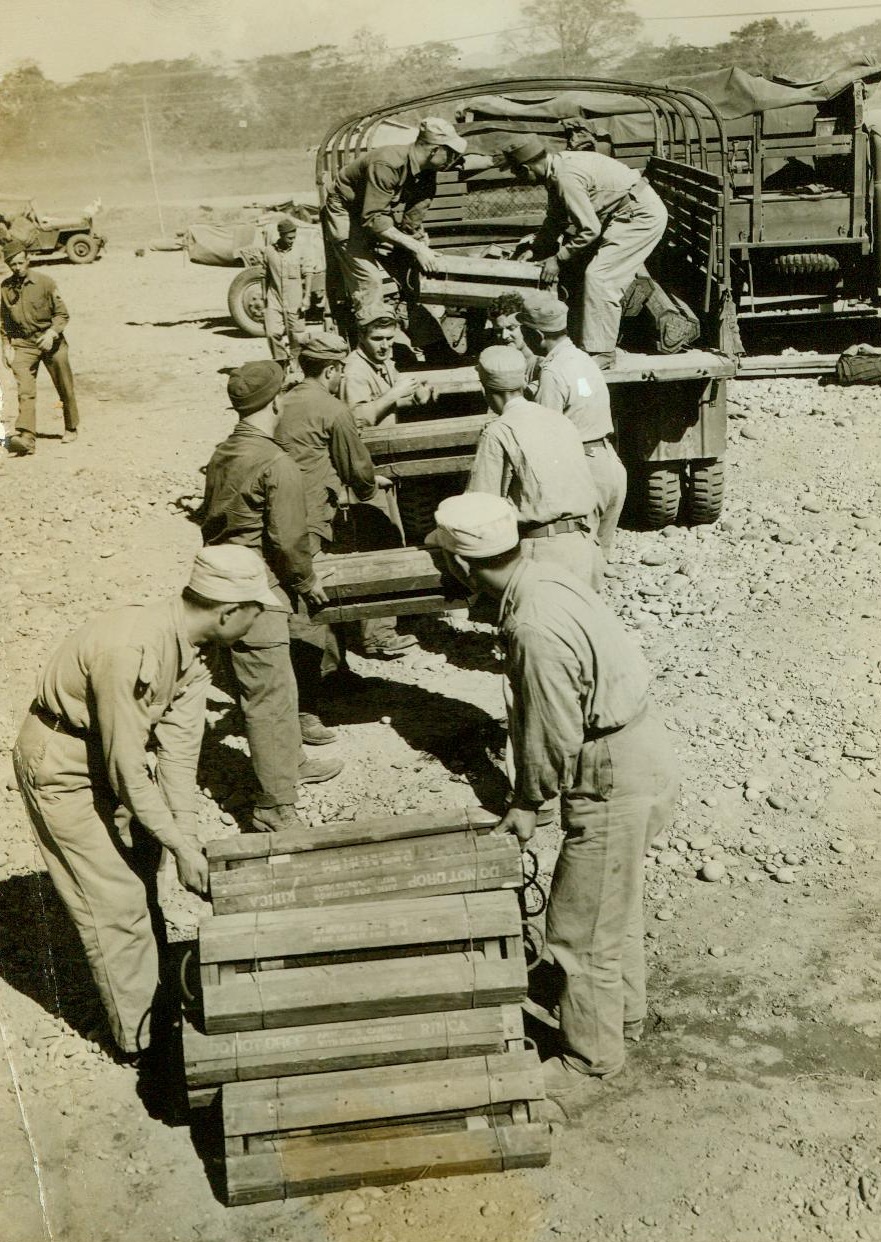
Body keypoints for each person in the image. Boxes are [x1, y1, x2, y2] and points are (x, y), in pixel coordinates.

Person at [427, 492, 679, 1092]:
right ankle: (625, 1016)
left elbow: (551, 732)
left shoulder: (532, 627)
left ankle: (590, 1059)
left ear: (464, 566)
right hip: (643, 753)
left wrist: (526, 804)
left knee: (576, 931)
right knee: (611, 905)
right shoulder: (544, 574)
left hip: (611, 771)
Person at [12, 545, 278, 1059]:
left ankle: (155, 1002)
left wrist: (189, 843)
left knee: (144, 868)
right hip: (62, 764)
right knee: (118, 903)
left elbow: (177, 759)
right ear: (228, 611)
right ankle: (142, 1047)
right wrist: (180, 845)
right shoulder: (133, 647)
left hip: (108, 756)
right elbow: (128, 770)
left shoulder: (196, 652)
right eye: (255, 610)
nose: (258, 619)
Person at [200, 361, 343, 833]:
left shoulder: (224, 450)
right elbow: (288, 540)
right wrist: (306, 583)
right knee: (267, 698)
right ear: (277, 400)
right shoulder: (276, 462)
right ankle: (274, 807)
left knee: (276, 688)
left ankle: (292, 763)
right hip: (255, 592)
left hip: (223, 584)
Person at [276, 331, 416, 663]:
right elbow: (358, 468)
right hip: (312, 511)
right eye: (339, 370)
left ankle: (335, 669)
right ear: (330, 371)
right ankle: (322, 681)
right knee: (315, 588)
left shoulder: (283, 401)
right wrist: (370, 487)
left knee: (306, 584)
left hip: (283, 505)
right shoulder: (333, 409)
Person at [501, 137, 668, 369]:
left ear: (526, 168)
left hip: (639, 216)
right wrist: (536, 250)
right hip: (621, 214)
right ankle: (584, 337)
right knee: (584, 270)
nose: (519, 179)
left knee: (600, 277)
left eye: (517, 173)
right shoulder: (555, 169)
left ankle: (603, 353)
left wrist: (557, 259)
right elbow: (556, 218)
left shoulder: (565, 177)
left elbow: (590, 230)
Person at [466, 344, 603, 590]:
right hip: (585, 548)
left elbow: (480, 508)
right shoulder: (561, 420)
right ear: (524, 381)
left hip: (542, 553)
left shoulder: (499, 431)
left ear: (485, 389)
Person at [321, 117, 467, 322]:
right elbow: (373, 218)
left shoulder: (428, 171)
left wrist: (418, 240)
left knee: (412, 273)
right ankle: (374, 345)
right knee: (369, 281)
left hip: (374, 212)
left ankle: (429, 345)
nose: (454, 160)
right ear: (435, 149)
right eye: (451, 154)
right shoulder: (387, 163)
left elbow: (414, 215)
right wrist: (417, 248)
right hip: (346, 210)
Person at [520, 291, 628, 560]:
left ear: (536, 335)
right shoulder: (583, 359)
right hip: (609, 464)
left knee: (578, 559)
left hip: (583, 470)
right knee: (599, 557)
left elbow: (545, 434)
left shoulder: (552, 372)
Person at [1, 238, 79, 455]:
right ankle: (26, 437)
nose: (17, 268)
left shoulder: (46, 283)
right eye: (12, 265)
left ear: (28, 259)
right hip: (24, 344)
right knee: (25, 390)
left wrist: (52, 333)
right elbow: (3, 322)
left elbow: (62, 314)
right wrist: (6, 346)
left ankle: (71, 426)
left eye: (20, 263)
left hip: (51, 341)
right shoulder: (5, 288)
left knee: (64, 385)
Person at [340, 300, 432, 429]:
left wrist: (417, 397)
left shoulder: (382, 360)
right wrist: (395, 392)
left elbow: (388, 404)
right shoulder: (354, 371)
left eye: (389, 338)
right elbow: (356, 420)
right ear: (361, 336)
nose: (385, 346)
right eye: (377, 339)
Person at [263, 216, 314, 364]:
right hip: (275, 300)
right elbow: (264, 276)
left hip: (295, 301)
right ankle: (281, 364)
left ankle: (296, 366)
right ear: (281, 235)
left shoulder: (300, 251)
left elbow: (308, 272)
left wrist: (307, 296)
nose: (292, 240)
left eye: (294, 237)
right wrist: (264, 298)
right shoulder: (269, 252)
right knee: (272, 333)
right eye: (289, 237)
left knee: (297, 337)